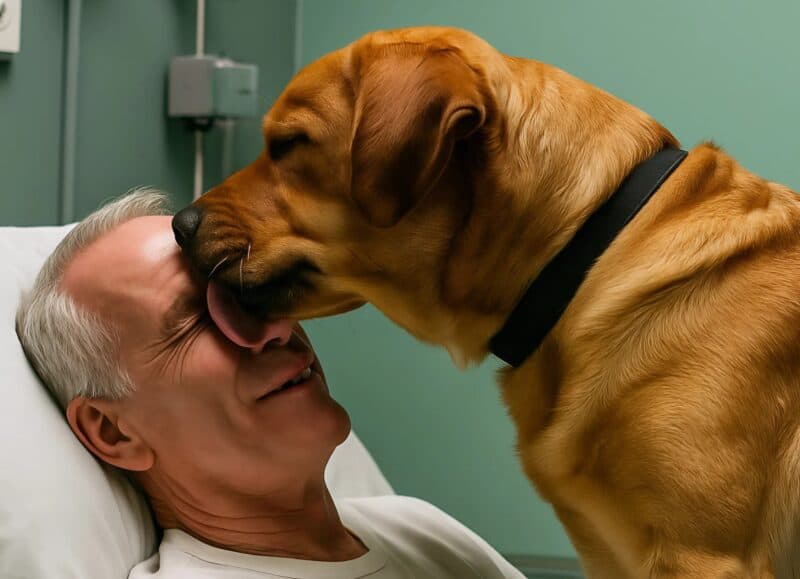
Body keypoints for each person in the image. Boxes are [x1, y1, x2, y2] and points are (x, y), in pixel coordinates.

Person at [16, 190, 525, 579]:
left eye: (247, 294)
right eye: (195, 323)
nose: (277, 327)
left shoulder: (416, 529)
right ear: (113, 432)